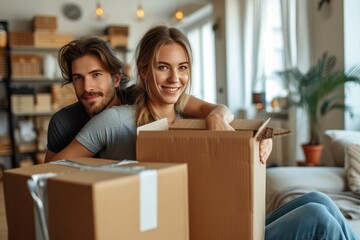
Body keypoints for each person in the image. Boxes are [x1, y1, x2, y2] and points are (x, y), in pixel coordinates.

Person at [48, 25, 358, 240]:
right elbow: (51, 174)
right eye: (163, 67)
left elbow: (221, 116)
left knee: (318, 200)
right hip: (172, 231)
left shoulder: (186, 114)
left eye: (182, 67)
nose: (175, 78)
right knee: (316, 220)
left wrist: (256, 146)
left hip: (215, 223)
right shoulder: (114, 120)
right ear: (143, 71)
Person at [44, 37, 245, 162]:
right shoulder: (63, 121)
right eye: (78, 78)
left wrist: (257, 139)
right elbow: (46, 177)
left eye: (96, 75)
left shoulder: (143, 97)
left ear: (116, 79)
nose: (87, 87)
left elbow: (213, 109)